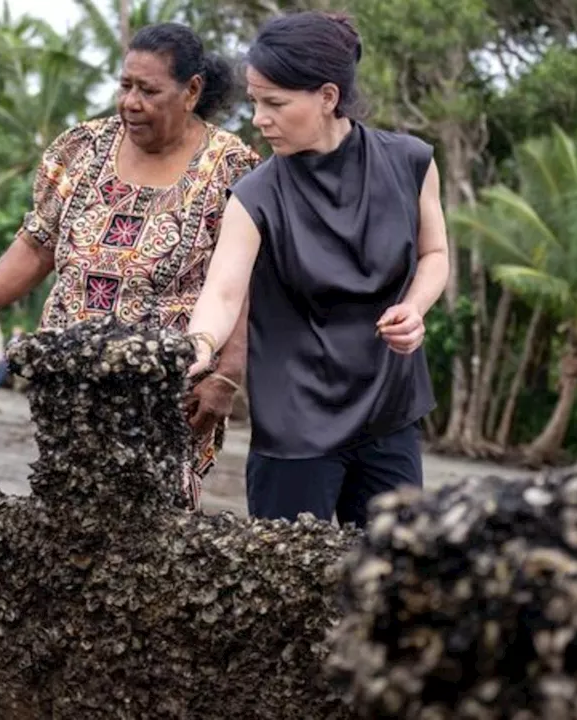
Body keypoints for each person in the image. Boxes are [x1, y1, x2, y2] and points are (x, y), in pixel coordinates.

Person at [0, 23, 262, 511]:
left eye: (148, 90)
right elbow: (37, 245)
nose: (130, 102)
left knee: (156, 520)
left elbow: (243, 283)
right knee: (68, 515)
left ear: (191, 91)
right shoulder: (82, 149)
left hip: (168, 389)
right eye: (125, 86)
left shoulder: (230, 167)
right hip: (70, 381)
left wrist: (226, 375)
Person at [184, 12, 450, 526]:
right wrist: (199, 345)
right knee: (282, 592)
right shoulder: (255, 195)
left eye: (275, 103)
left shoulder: (411, 162)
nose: (259, 118)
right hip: (295, 424)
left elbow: (435, 255)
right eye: (256, 102)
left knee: (391, 580)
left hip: (388, 411)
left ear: (327, 97)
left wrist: (415, 309)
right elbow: (221, 294)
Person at [0, 326, 25, 390]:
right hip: (5, 359)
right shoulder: (13, 339)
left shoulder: (17, 340)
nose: (14, 331)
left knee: (0, 372)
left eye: (16, 331)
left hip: (8, 360)